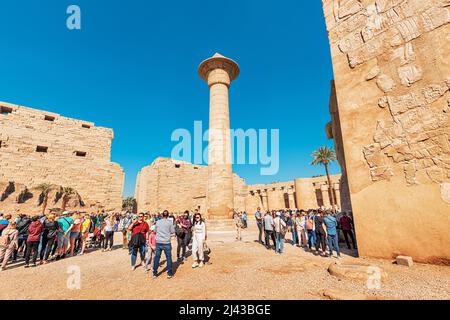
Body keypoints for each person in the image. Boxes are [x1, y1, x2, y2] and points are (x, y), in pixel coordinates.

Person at [153, 210, 175, 279]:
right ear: (168, 215)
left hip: (159, 242)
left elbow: (155, 231)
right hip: (166, 242)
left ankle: (155, 272)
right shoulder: (169, 222)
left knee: (157, 257)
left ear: (162, 215)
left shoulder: (158, 222)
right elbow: (172, 231)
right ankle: (169, 273)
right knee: (168, 257)